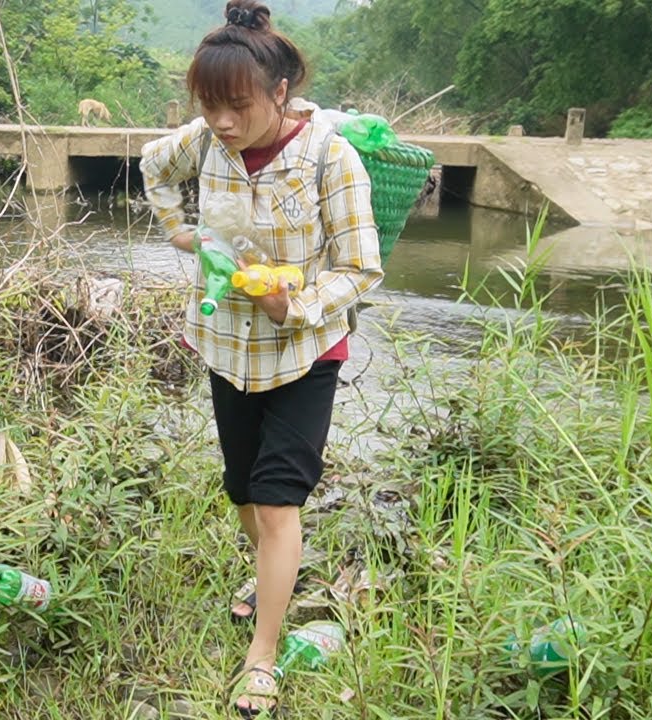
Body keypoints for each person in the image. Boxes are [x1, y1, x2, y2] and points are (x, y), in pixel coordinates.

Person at [139, 1, 383, 716]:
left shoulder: (328, 155)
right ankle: (269, 575)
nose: (222, 122)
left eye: (238, 106)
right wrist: (181, 234)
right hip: (225, 347)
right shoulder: (208, 140)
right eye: (210, 106)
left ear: (279, 93)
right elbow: (154, 165)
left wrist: (297, 301)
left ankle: (262, 658)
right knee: (242, 490)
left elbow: (361, 268)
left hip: (305, 351)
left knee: (278, 499)